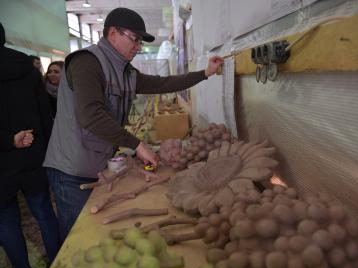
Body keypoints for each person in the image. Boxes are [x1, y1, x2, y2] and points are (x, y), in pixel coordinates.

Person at [43, 7, 224, 240]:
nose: (138, 46)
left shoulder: (126, 72)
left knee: (95, 230)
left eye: (140, 41)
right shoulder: (87, 62)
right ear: (113, 33)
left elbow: (162, 84)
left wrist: (205, 73)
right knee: (76, 237)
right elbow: (91, 115)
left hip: (97, 164)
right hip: (71, 169)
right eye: (134, 39)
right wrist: (137, 145)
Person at [0, 23, 60, 268]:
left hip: (1, 161)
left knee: (6, 219)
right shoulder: (28, 68)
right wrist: (46, 151)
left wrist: (9, 140)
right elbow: (45, 115)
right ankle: (58, 262)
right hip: (34, 155)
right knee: (44, 211)